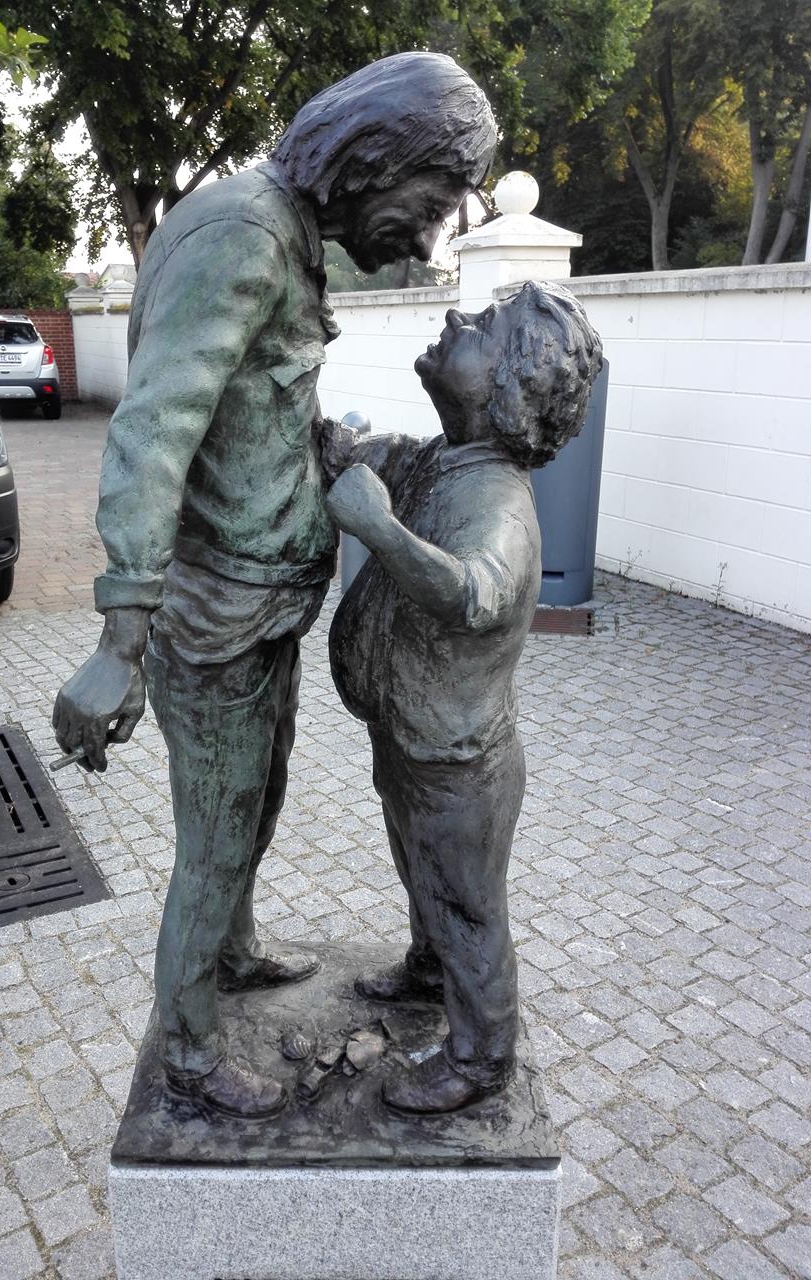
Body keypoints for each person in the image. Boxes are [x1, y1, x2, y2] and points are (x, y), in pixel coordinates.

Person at [52, 52, 498, 1119]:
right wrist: (119, 638)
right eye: (431, 202)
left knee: (254, 808)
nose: (426, 238)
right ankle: (190, 1053)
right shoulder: (244, 239)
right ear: (377, 155)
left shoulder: (278, 234)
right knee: (215, 841)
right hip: (218, 617)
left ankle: (233, 951)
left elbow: (244, 407)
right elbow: (154, 429)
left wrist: (315, 447)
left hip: (263, 610)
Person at [324, 281, 603, 1113]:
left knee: (467, 906)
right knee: (420, 871)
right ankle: (426, 967)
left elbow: (477, 594)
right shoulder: (440, 459)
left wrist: (379, 529)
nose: (455, 318)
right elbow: (356, 456)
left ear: (510, 386)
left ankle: (482, 1058)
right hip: (408, 736)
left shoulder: (498, 502)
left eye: (481, 326)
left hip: (458, 762)